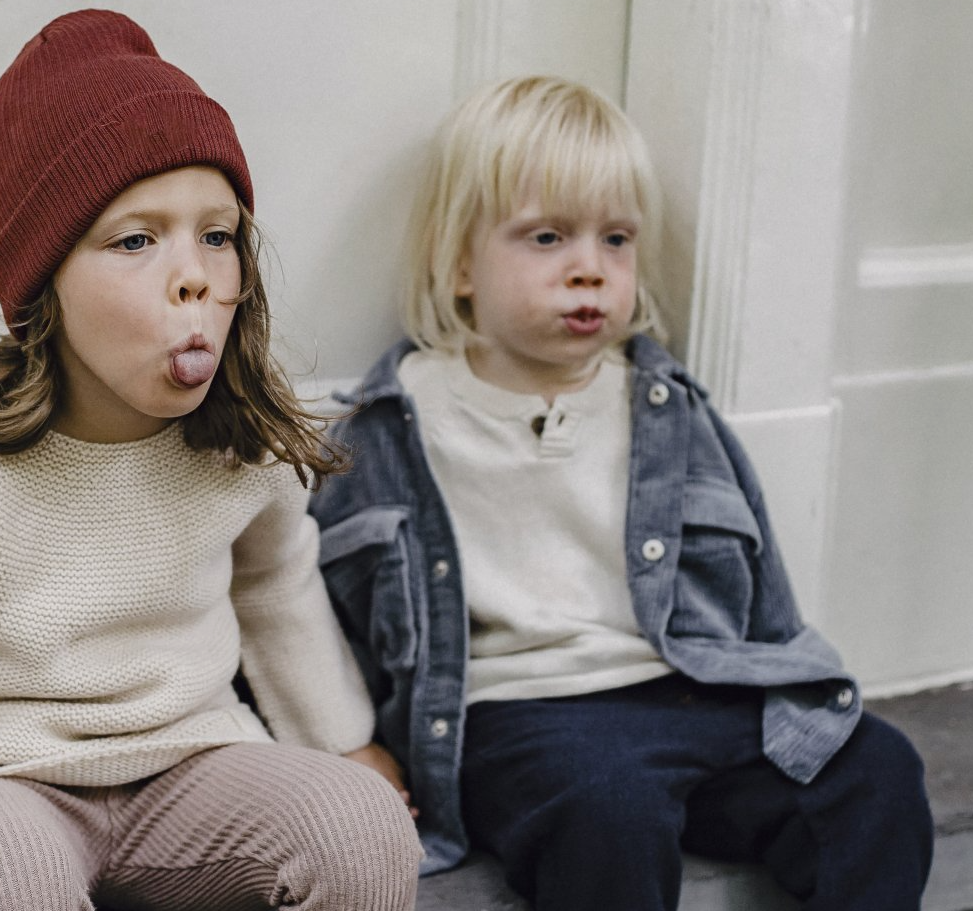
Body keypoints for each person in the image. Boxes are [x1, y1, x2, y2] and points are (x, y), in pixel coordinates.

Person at [0, 11, 422, 911]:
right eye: (135, 239)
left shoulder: (240, 437)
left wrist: (344, 742)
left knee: (366, 829)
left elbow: (277, 584)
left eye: (217, 235)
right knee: (4, 879)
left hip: (191, 763)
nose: (191, 276)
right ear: (44, 285)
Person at [310, 75, 934, 911]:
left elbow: (759, 590)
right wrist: (349, 748)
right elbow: (318, 610)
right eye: (546, 237)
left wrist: (790, 692)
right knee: (609, 809)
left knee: (876, 770)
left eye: (615, 240)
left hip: (693, 687)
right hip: (524, 717)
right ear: (460, 265)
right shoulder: (398, 424)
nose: (589, 272)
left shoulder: (668, 411)